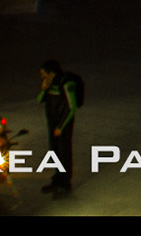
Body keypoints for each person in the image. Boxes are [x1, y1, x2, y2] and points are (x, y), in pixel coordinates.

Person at [38, 59, 84, 197]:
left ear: (51, 73)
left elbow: (71, 107)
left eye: (43, 73)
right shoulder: (50, 84)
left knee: (64, 153)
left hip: (63, 125)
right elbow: (40, 100)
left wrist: (61, 126)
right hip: (52, 123)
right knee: (55, 152)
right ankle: (57, 179)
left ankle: (65, 183)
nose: (42, 76)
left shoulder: (65, 83)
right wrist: (44, 89)